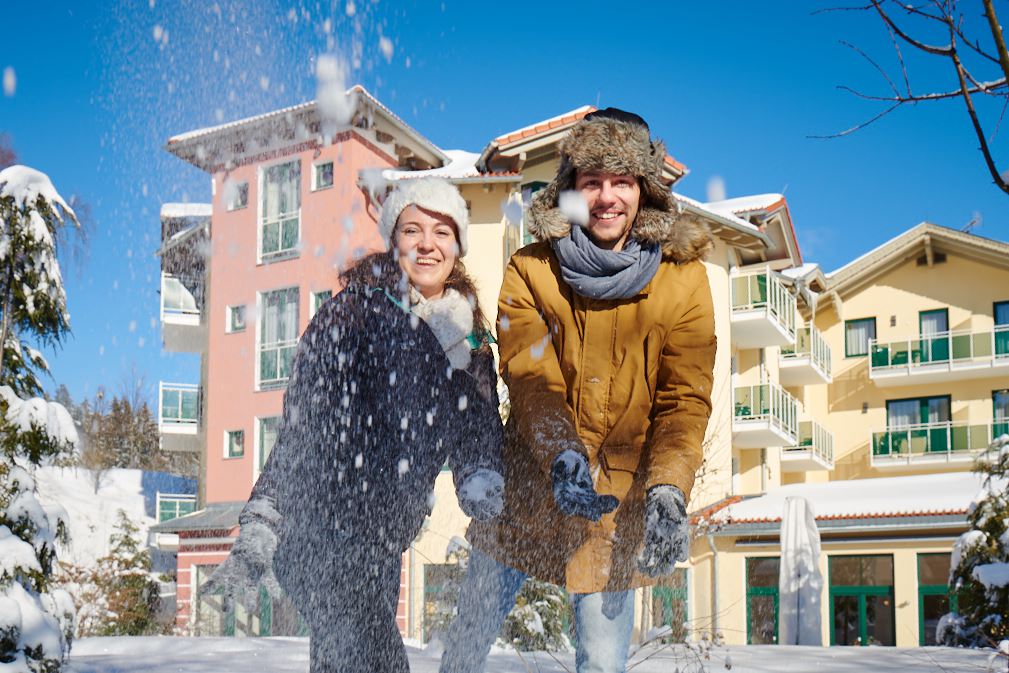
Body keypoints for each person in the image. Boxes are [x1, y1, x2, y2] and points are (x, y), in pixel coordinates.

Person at [440, 109, 717, 673]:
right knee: (462, 656)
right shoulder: (531, 269)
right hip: (526, 493)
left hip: (616, 510)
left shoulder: (684, 279)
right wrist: (562, 455)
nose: (607, 197)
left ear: (645, 189)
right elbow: (531, 376)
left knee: (602, 664)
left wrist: (668, 488)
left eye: (622, 181)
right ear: (570, 190)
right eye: (592, 181)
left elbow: (683, 399)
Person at [205, 177, 505, 673]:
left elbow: (476, 428)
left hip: (382, 542)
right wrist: (265, 516)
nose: (427, 244)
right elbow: (304, 422)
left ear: (458, 247)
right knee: (378, 664)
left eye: (441, 232)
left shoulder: (468, 342)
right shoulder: (356, 313)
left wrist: (481, 478)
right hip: (319, 530)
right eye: (412, 230)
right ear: (393, 240)